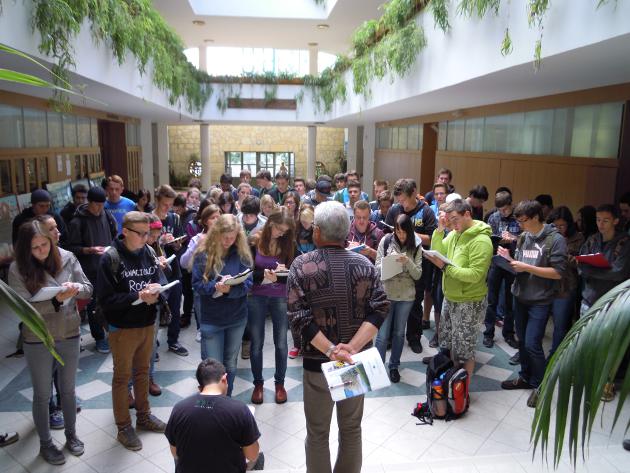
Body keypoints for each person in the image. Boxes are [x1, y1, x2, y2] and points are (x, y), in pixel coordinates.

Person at [287, 201, 389, 473]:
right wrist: (352, 348)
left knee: (318, 433)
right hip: (355, 363)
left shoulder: (301, 266)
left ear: (317, 232)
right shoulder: (364, 265)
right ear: (346, 232)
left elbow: (299, 318)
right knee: (351, 429)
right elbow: (380, 308)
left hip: (318, 365)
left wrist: (332, 351)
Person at [9, 220, 92, 464]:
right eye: (34, 248)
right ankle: (46, 444)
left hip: (69, 331)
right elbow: (23, 309)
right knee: (43, 394)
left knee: (68, 390)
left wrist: (76, 288)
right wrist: (55, 301)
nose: (41, 251)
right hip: (38, 338)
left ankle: (72, 435)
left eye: (44, 244)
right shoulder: (17, 269)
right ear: (25, 249)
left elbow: (88, 288)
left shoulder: (67, 257)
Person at [95, 211, 168, 451]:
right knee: (122, 377)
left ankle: (144, 416)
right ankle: (123, 427)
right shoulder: (110, 258)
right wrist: (137, 296)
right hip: (123, 327)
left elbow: (157, 279)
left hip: (147, 322)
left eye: (149, 233)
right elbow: (106, 300)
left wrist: (157, 290)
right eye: (142, 234)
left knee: (143, 373)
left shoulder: (147, 252)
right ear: (125, 231)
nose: (147, 238)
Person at [499, 200, 567, 408]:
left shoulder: (555, 240)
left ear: (537, 217)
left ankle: (541, 384)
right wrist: (509, 259)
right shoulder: (524, 237)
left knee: (532, 344)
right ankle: (525, 376)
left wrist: (527, 267)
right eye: (518, 220)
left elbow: (558, 272)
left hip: (540, 299)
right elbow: (520, 265)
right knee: (523, 342)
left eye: (523, 220)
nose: (520, 225)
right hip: (520, 295)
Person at [425, 199, 493, 382]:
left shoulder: (481, 240)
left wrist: (446, 268)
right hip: (451, 297)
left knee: (464, 351)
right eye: (449, 220)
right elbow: (438, 251)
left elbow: (475, 275)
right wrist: (439, 230)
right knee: (449, 344)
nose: (452, 224)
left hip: (469, 301)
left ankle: (463, 392)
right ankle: (452, 382)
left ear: (467, 214)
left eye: (455, 219)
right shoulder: (456, 234)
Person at [191, 214, 253, 396]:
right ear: (216, 234)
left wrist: (229, 290)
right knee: (212, 368)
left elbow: (248, 285)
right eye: (224, 237)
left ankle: (226, 400)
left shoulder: (242, 254)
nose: (228, 241)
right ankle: (211, 404)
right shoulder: (204, 254)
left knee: (230, 364)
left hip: (236, 317)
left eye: (232, 237)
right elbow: (197, 285)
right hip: (212, 318)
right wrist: (215, 287)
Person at [165, 359, 261, 473]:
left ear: (200, 387)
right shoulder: (240, 410)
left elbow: (175, 453)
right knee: (259, 459)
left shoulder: (179, 409)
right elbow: (252, 455)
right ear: (224, 379)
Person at [248, 209, 296, 405]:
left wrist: (281, 275)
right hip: (257, 295)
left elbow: (294, 270)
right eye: (278, 229)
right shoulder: (254, 240)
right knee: (256, 343)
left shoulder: (288, 242)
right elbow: (247, 271)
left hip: (279, 296)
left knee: (281, 342)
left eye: (284, 231)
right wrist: (264, 275)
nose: (280, 233)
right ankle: (258, 384)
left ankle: (280, 384)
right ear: (270, 224)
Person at [385, 178, 437, 353]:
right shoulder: (394, 210)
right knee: (392, 301)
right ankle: (392, 337)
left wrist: (410, 232)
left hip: (416, 262)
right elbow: (387, 234)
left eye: (404, 201)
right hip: (395, 262)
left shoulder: (426, 212)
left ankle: (414, 337)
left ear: (413, 194)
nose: (402, 205)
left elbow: (432, 239)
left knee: (415, 301)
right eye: (399, 201)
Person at [67, 186, 118, 354]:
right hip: (89, 269)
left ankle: (111, 332)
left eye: (102, 205)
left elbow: (114, 235)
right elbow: (71, 247)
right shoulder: (77, 221)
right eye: (97, 205)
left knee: (109, 300)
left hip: (107, 266)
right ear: (89, 202)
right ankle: (99, 337)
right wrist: (89, 250)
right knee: (93, 304)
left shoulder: (106, 215)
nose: (99, 209)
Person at [374, 214, 423, 383]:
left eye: (404, 232)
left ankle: (394, 366)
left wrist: (407, 262)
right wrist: (391, 261)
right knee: (382, 335)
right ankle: (378, 368)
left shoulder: (416, 245)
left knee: (399, 333)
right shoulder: (386, 241)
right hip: (387, 293)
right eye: (398, 231)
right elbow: (377, 268)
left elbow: (417, 274)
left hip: (406, 296)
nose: (401, 235)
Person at [153, 185, 189, 357]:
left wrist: (176, 243)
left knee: (175, 307)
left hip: (173, 268)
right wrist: (160, 241)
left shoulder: (174, 218)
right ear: (157, 201)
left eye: (170, 204)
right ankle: (154, 344)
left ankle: (173, 340)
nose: (168, 208)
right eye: (164, 204)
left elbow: (179, 242)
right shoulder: (149, 219)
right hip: (156, 271)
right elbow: (145, 243)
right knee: (156, 308)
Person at [483, 191, 521, 349]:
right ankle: (488, 333)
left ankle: (509, 333)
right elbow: (488, 238)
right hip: (496, 261)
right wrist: (498, 239)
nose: (502, 212)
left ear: (511, 205)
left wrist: (513, 238)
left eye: (505, 209)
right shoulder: (493, 217)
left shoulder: (519, 217)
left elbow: (525, 239)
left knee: (509, 301)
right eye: (500, 210)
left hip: (512, 262)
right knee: (491, 300)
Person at [578, 204, 630, 315]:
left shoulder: (624, 242)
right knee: (585, 333)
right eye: (598, 220)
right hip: (588, 300)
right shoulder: (592, 240)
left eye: (605, 221)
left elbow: (618, 272)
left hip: (612, 303)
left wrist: (590, 271)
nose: (600, 224)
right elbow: (581, 266)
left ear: (615, 221)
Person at [181, 204, 221, 343]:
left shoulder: (227, 237)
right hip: (203, 288)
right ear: (205, 221)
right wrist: (196, 247)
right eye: (212, 218)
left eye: (218, 217)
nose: (216, 220)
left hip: (222, 287)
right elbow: (184, 263)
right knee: (205, 325)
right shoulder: (197, 238)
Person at [547, 206, 584, 357]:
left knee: (560, 325)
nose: (559, 228)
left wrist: (568, 257)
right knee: (540, 321)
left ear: (569, 224)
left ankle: (554, 356)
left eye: (562, 225)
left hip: (566, 286)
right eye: (555, 225)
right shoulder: (547, 236)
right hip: (546, 285)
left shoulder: (578, 238)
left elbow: (581, 262)